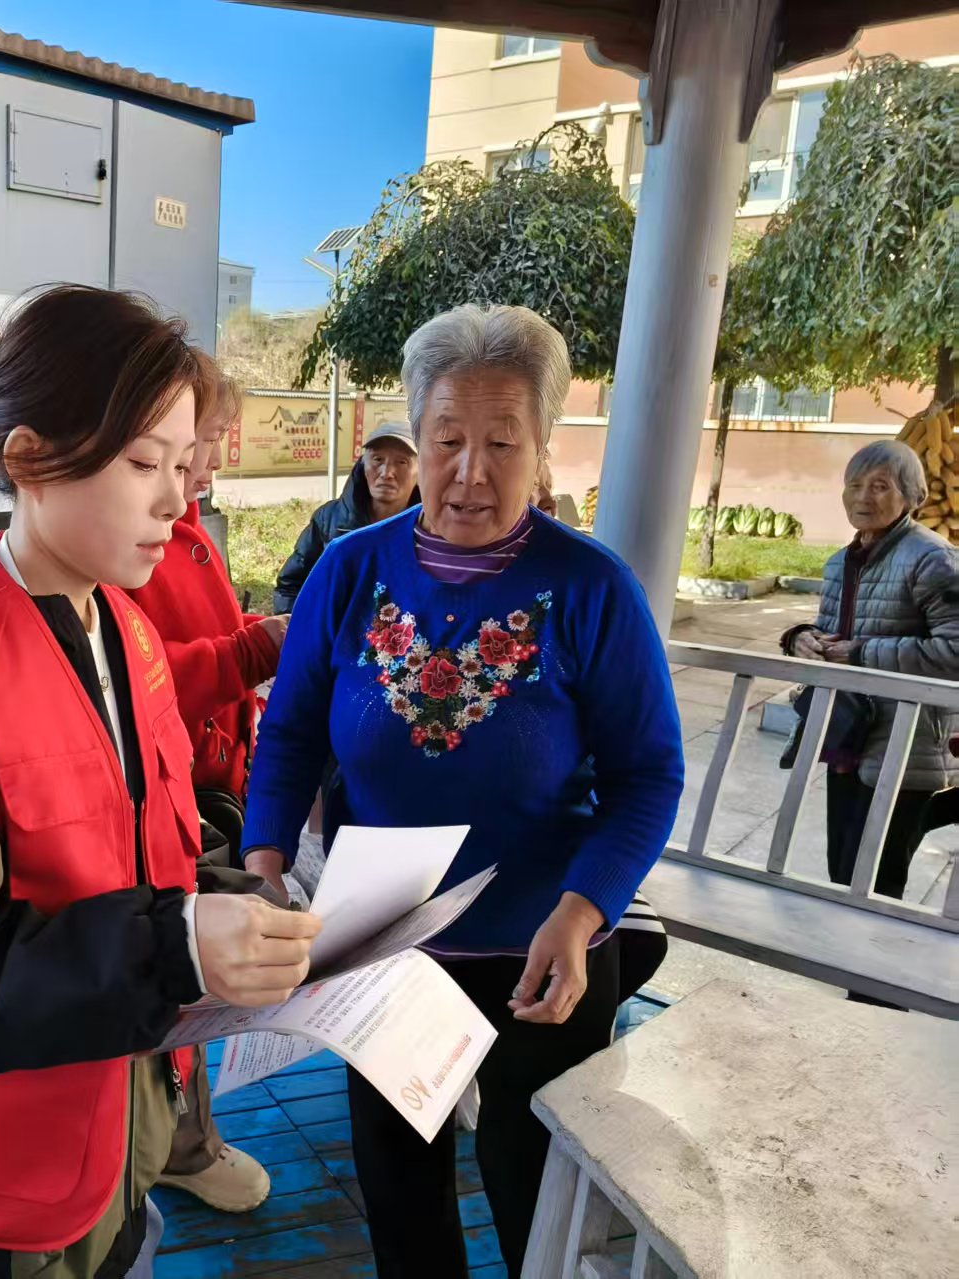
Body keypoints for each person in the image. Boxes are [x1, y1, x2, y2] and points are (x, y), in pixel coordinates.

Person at [0, 285, 323, 1279]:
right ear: (28, 460)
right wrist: (174, 945)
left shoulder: (123, 627)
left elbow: (142, 839)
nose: (175, 500)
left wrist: (242, 898)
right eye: (142, 463)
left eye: (181, 464)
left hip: (111, 1143)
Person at [240, 303, 683, 1277]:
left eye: (501, 442)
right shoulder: (349, 571)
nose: (470, 471)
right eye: (446, 440)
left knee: (532, 1186)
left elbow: (648, 773)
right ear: (417, 437)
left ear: (543, 447)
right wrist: (264, 861)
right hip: (385, 936)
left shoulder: (591, 588)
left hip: (541, 948)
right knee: (400, 1183)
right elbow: (291, 732)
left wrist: (581, 912)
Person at [125, 366, 286, 1214]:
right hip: (165, 786)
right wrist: (253, 649)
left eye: (204, 442)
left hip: (207, 781)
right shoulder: (130, 546)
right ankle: (178, 1146)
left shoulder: (189, 533)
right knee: (172, 968)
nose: (209, 460)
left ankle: (178, 1137)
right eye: (198, 443)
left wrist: (255, 642)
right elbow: (142, 676)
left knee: (186, 967)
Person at [781, 439, 959, 907]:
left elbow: (955, 650)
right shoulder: (842, 560)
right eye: (854, 484)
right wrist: (801, 637)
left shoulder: (933, 559)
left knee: (876, 885)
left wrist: (863, 653)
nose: (863, 497)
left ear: (912, 496)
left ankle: (869, 962)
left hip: (904, 744)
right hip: (848, 735)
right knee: (842, 871)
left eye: (880, 486)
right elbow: (835, 632)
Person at [272, 420, 420, 613]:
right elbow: (291, 586)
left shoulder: (432, 528)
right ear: (363, 464)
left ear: (421, 471)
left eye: (402, 462)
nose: (386, 473)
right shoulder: (329, 520)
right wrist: (296, 625)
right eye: (377, 459)